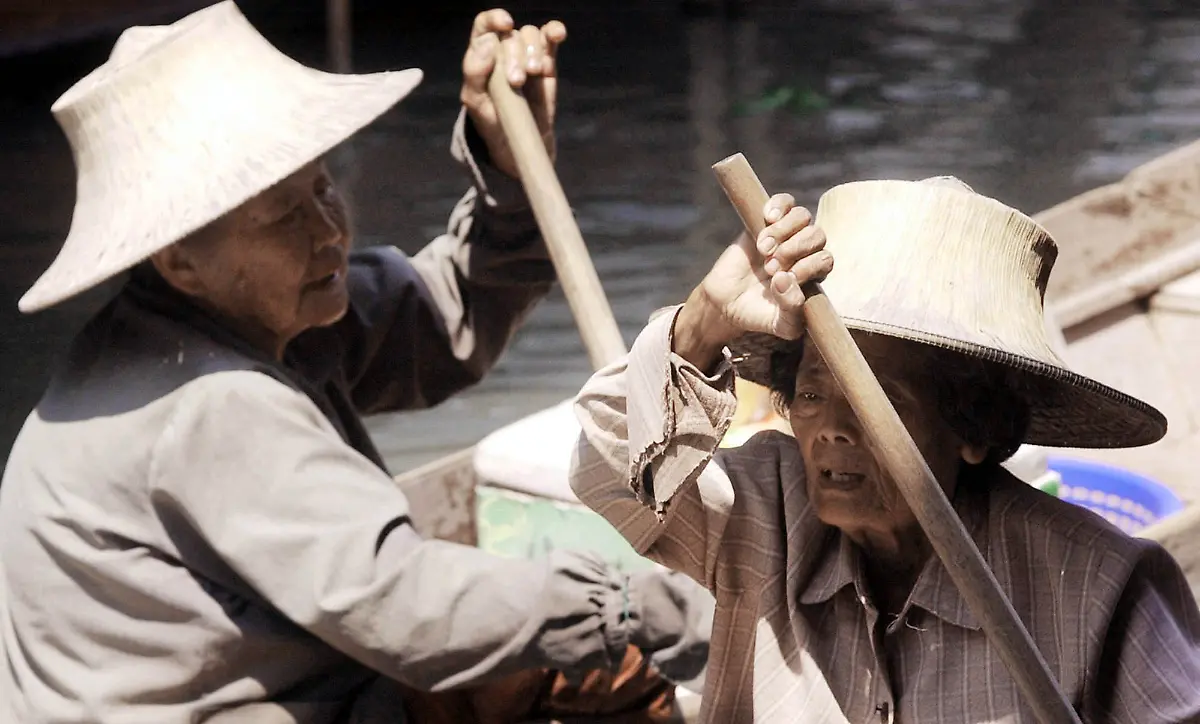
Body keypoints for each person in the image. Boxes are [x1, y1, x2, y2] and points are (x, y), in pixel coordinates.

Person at [0, 3, 710, 722]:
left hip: (315, 682)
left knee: (585, 666)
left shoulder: (266, 316)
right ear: (179, 258)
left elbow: (449, 310)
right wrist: (636, 608)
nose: (330, 230)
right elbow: (408, 609)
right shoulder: (209, 401)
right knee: (609, 649)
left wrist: (506, 165)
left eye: (323, 188)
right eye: (283, 215)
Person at [569, 175, 1200, 723]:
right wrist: (705, 319)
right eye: (813, 394)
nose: (832, 430)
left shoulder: (1099, 584)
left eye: (880, 402)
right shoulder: (764, 509)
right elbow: (605, 466)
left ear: (973, 430)